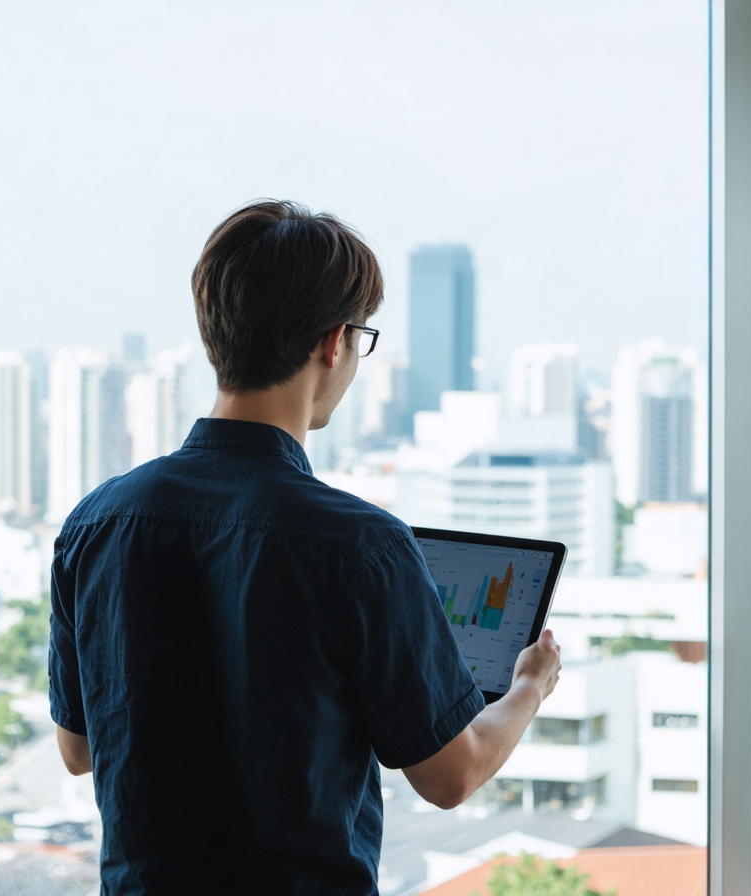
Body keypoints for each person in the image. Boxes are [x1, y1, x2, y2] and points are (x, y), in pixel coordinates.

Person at [48, 199, 561, 895]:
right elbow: (452, 775)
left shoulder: (97, 522)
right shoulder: (362, 544)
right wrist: (529, 687)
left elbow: (77, 750)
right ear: (333, 342)